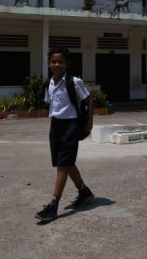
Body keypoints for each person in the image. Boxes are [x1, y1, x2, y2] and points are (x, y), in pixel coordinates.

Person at [35, 47, 94, 223]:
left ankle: (53, 205)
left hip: (71, 125)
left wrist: (89, 122)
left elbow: (89, 99)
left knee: (63, 164)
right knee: (66, 163)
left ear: (67, 63)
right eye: (53, 61)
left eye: (60, 61)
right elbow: (52, 104)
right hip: (56, 126)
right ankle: (84, 191)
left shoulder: (74, 82)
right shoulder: (50, 83)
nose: (56, 64)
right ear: (48, 64)